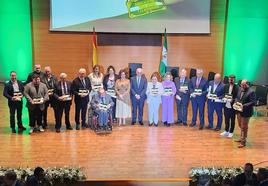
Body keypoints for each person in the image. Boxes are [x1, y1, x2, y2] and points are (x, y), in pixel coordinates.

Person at [234, 80, 256, 148]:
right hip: (239, 111)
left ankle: (243, 142)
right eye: (241, 85)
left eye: (244, 85)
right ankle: (241, 138)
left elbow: (253, 102)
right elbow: (238, 98)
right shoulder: (240, 89)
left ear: (247, 84)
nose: (242, 86)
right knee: (240, 125)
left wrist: (243, 105)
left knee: (244, 127)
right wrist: (236, 102)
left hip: (246, 112)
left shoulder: (251, 91)